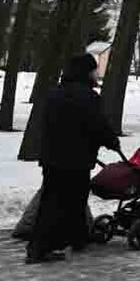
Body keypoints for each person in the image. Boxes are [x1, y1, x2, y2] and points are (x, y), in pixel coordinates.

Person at [26, 53, 120, 264]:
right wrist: (112, 141)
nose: (96, 74)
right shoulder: (89, 98)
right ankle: (41, 248)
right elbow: (98, 126)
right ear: (86, 73)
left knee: (54, 200)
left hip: (52, 158)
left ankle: (75, 239)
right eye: (94, 71)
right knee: (70, 201)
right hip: (76, 161)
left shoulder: (54, 94)